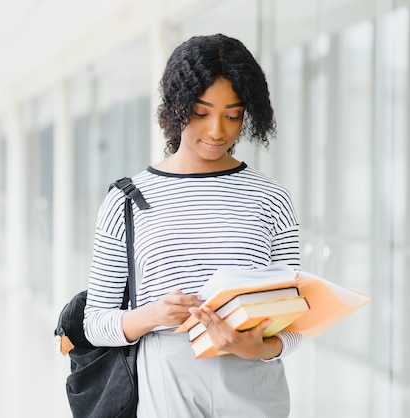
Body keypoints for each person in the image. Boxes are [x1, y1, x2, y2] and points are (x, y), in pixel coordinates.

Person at [83, 34, 303, 418]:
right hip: (168, 380)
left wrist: (259, 349)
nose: (217, 130)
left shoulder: (271, 198)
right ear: (176, 107)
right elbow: (96, 323)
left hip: (253, 380)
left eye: (233, 115)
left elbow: (294, 322)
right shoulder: (125, 200)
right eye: (201, 112)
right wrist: (153, 314)